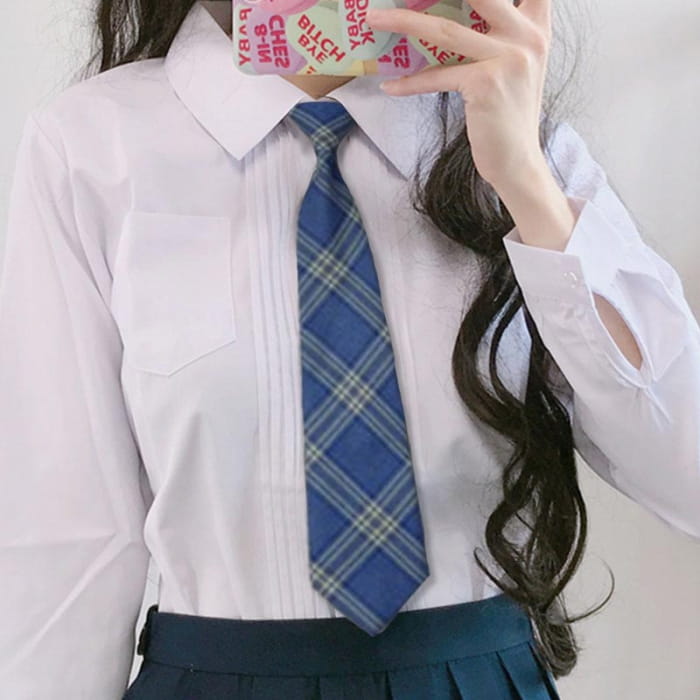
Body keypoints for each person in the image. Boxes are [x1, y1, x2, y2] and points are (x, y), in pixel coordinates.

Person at [1, 0, 698, 698]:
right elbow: (66, 542)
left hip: (476, 678)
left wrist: (527, 183)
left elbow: (685, 475)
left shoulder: (517, 138)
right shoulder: (91, 147)